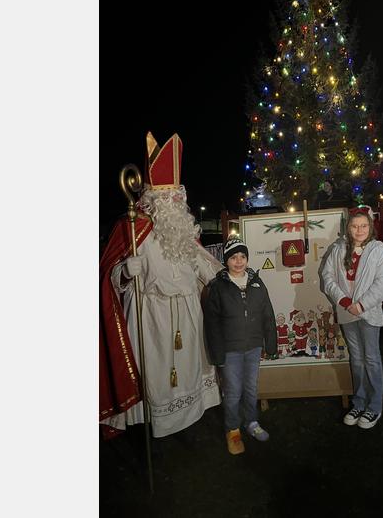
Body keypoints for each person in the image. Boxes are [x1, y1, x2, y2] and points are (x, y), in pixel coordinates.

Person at [100, 132, 222, 439]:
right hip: (150, 313)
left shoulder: (183, 227)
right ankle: (154, 418)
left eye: (175, 196)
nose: (173, 202)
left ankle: (190, 413)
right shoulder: (131, 226)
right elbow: (109, 276)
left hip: (187, 309)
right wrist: (126, 270)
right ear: (153, 198)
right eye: (166, 197)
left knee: (190, 364)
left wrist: (227, 280)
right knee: (154, 370)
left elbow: (202, 262)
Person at [320, 206, 383, 429]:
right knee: (357, 358)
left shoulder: (378, 251)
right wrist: (344, 302)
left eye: (363, 226)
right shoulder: (338, 249)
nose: (359, 230)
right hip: (347, 312)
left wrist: (361, 304)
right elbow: (328, 277)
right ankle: (359, 402)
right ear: (348, 227)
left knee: (371, 358)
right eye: (354, 226)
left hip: (368, 312)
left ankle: (375, 406)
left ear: (370, 226)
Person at [203, 237, 277, 455]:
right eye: (233, 257)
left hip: (253, 346)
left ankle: (251, 423)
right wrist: (217, 354)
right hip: (230, 350)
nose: (238, 261)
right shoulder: (218, 287)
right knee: (233, 392)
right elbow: (212, 323)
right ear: (226, 261)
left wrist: (270, 343)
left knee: (251, 389)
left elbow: (268, 314)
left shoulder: (256, 282)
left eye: (242, 256)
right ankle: (233, 429)